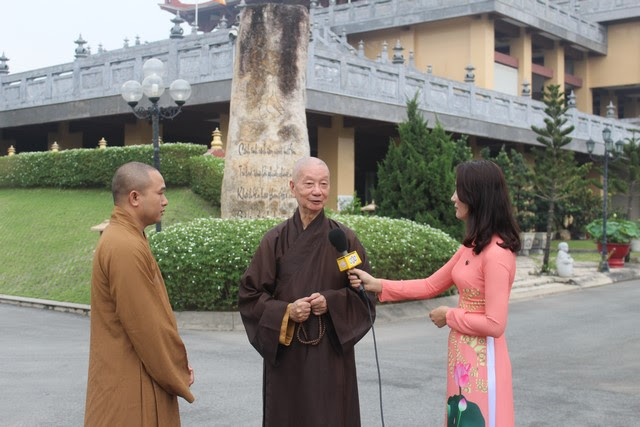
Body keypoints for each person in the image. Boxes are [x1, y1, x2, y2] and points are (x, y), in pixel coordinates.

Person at [349, 159, 520, 427]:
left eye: (458, 190)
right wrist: (378, 284)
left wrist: (449, 316)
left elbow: (495, 324)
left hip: (484, 362)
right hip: (462, 358)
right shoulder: (472, 247)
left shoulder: (497, 254)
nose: (453, 197)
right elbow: (430, 285)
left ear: (476, 196)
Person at [238, 156, 375, 427]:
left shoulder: (343, 239)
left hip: (330, 354)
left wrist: (331, 302)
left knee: (330, 415)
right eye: (309, 183)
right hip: (289, 354)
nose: (317, 191)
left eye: (324, 184)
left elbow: (365, 294)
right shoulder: (275, 240)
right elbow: (250, 295)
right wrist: (286, 311)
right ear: (293, 187)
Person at [84, 162, 195, 426]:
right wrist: (176, 369)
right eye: (160, 193)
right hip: (130, 386)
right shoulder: (124, 245)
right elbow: (146, 326)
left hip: (129, 376)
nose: (165, 201)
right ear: (135, 198)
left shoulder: (127, 237)